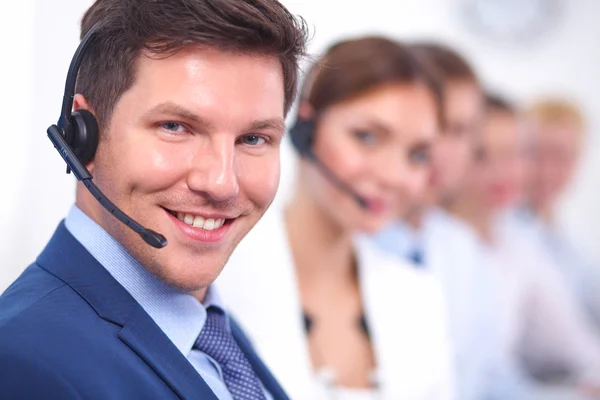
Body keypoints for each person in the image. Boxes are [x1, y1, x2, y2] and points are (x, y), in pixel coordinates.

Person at [0, 0, 309, 399]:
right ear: (82, 135)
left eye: (253, 139)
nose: (220, 183)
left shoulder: (209, 328)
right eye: (176, 127)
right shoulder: (26, 363)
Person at [215, 36, 455, 399]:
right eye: (367, 137)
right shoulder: (217, 278)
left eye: (417, 155)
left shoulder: (418, 296)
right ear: (306, 129)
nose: (394, 175)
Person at [369, 42, 526, 400]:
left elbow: (493, 380)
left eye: (460, 130)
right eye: (431, 124)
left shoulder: (465, 249)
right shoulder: (347, 243)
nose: (440, 149)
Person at [449, 92, 600, 398]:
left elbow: (573, 342)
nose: (503, 170)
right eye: (482, 155)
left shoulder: (517, 244)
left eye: (514, 153)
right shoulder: (437, 244)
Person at [519, 98, 600, 332]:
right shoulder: (502, 232)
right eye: (534, 154)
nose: (546, 170)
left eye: (560, 156)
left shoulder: (573, 239)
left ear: (578, 160)